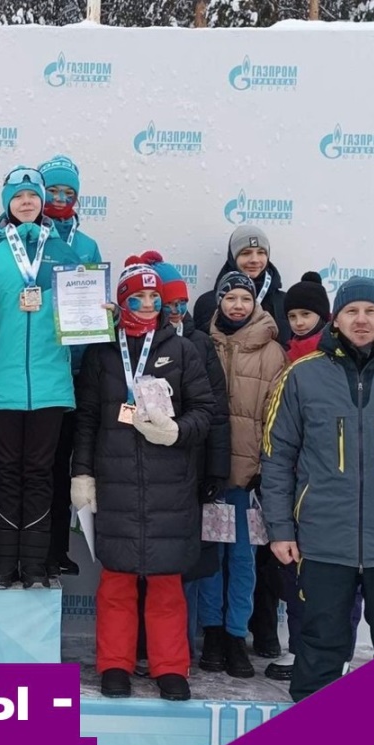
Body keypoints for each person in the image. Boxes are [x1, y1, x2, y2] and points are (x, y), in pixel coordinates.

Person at [71, 260, 215, 701]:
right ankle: (114, 664)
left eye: (155, 298)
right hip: (115, 481)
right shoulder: (102, 353)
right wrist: (82, 473)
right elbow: (87, 419)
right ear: (122, 303)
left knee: (166, 583)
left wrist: (176, 431)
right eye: (138, 298)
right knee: (116, 580)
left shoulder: (183, 349)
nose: (149, 305)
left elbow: (205, 412)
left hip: (170, 483)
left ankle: (170, 666)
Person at [263, 276, 374, 701]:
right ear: (336, 318)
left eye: (371, 311)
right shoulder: (303, 375)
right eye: (352, 311)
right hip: (323, 541)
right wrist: (280, 528)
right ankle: (316, 737)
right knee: (319, 648)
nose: (361, 320)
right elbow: (276, 456)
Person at [0, 166, 81, 589]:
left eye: (32, 195)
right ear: (8, 203)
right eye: (18, 196)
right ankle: (3, 563)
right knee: (6, 474)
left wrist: (104, 316)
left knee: (41, 474)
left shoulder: (64, 253)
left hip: (50, 384)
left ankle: (34, 565)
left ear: (41, 201)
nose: (26, 202)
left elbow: (81, 315)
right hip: (1, 383)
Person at [195, 271, 287, 679]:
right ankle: (212, 633)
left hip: (248, 476)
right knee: (211, 557)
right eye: (230, 298)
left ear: (255, 304)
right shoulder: (203, 343)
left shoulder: (273, 351)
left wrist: (265, 468)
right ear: (219, 301)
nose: (237, 305)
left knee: (243, 559)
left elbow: (277, 417)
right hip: (211, 474)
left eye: (244, 299)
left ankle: (236, 635)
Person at [144, 252, 231, 660]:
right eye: (169, 303)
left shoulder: (199, 343)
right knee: (141, 558)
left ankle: (183, 645)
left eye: (182, 303)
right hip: (140, 468)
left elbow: (216, 411)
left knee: (184, 563)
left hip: (187, 465)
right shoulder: (130, 344)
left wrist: (216, 469)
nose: (176, 311)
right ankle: (144, 642)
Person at [37, 155, 103, 577]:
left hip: (77, 370)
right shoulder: (27, 238)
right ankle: (35, 547)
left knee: (67, 463)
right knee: (40, 464)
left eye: (68, 192)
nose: (61, 198)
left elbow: (95, 302)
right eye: (53, 190)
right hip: (40, 365)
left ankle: (58, 548)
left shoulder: (87, 245)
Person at [193, 225, 289, 347]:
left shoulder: (284, 301)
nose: (254, 260)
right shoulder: (208, 303)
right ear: (233, 257)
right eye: (246, 253)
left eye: (261, 252)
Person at [284, 271, 331, 362]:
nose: (299, 323)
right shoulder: (286, 354)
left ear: (321, 314)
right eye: (292, 316)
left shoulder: (338, 350)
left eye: (305, 314)